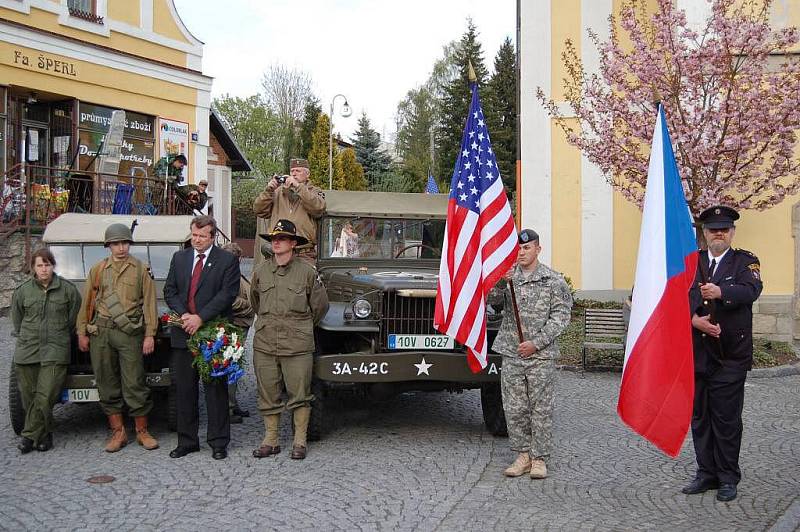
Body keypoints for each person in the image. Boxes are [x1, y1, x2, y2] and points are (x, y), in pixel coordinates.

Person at [683, 205, 762, 502]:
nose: (719, 234)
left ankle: (728, 477)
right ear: (704, 233)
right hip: (699, 354)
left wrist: (721, 293)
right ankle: (706, 473)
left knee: (727, 420)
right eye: (713, 229)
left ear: (732, 233)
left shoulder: (745, 262)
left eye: (724, 229)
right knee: (700, 417)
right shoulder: (693, 263)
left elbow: (751, 290)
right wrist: (694, 319)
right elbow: (677, 297)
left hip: (730, 355)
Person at [491, 229, 572, 479]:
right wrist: (499, 283)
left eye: (527, 248)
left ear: (538, 249)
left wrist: (536, 343)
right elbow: (493, 304)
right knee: (515, 407)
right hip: (512, 352)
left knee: (540, 408)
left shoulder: (553, 281)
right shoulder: (509, 278)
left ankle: (539, 458)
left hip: (539, 356)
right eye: (519, 248)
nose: (522, 252)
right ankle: (522, 455)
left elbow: (561, 318)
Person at [76, 223, 159, 453]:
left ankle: (142, 431)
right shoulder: (98, 270)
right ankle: (118, 432)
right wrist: (82, 331)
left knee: (134, 382)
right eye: (116, 243)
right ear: (109, 246)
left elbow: (150, 304)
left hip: (129, 333)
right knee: (106, 381)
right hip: (101, 332)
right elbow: (88, 302)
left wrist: (149, 334)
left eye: (124, 243)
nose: (121, 248)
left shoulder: (140, 269)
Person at [250, 219, 329, 460]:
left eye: (282, 239)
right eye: (274, 239)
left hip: (297, 346)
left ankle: (299, 441)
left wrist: (300, 327)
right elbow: (255, 301)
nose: (276, 243)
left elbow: (320, 306)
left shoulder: (307, 272)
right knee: (268, 392)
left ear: (293, 244)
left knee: (300, 394)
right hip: (265, 343)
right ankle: (271, 440)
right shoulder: (261, 271)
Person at [164, 215, 240, 460]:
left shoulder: (226, 260)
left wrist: (201, 318)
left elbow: (227, 294)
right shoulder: (180, 258)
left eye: (201, 236)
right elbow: (170, 290)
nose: (196, 240)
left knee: (215, 389)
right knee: (184, 390)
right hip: (183, 332)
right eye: (193, 235)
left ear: (212, 236)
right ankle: (187, 441)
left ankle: (218, 442)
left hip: (212, 334)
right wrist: (185, 315)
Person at [11, 248, 81, 453]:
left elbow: (72, 321)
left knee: (45, 395)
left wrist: (56, 335)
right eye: (39, 265)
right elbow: (18, 320)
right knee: (29, 397)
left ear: (53, 266)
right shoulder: (23, 291)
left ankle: (27, 436)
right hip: (28, 350)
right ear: (33, 268)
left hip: (55, 350)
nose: (44, 269)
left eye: (47, 265)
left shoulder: (68, 290)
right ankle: (44, 434)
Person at [253, 158, 326, 262]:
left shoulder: (314, 192)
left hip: (303, 253)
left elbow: (318, 208)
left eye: (298, 171)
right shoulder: (278, 192)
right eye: (292, 171)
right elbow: (259, 210)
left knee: (304, 277)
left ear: (307, 174)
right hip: (278, 252)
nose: (294, 174)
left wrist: (298, 186)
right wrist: (269, 190)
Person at [221, 242, 254, 424]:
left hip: (240, 324)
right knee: (230, 367)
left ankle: (233, 404)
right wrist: (250, 306)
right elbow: (228, 301)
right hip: (234, 325)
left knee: (235, 367)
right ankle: (228, 408)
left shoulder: (234, 274)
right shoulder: (227, 275)